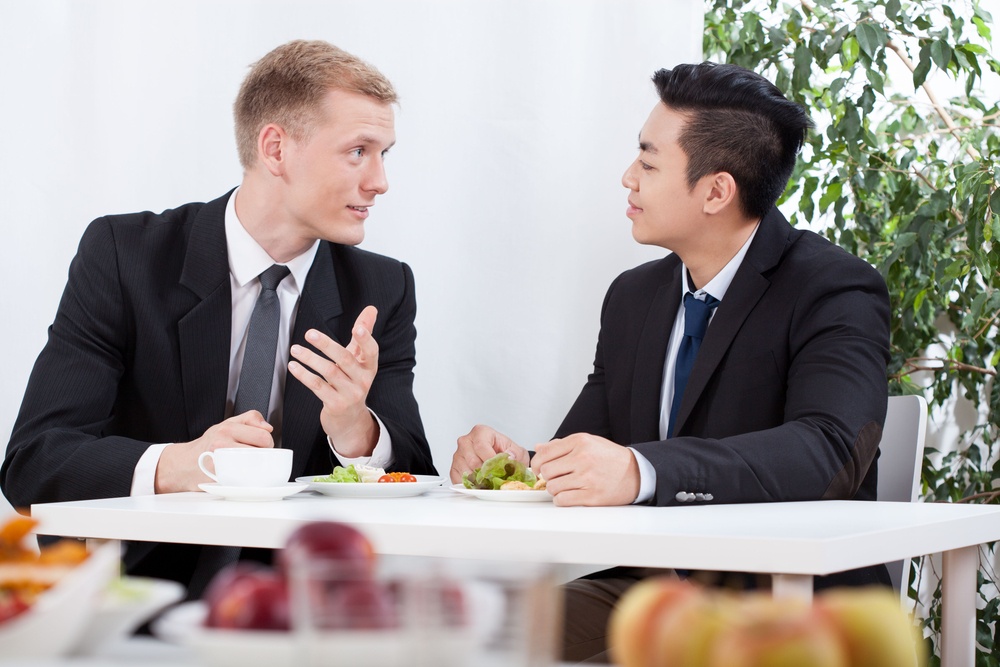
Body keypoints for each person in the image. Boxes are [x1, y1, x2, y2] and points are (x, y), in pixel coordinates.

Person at [450, 62, 891, 662]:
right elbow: (592, 447)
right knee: (463, 636)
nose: (627, 178)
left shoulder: (834, 287)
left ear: (716, 191)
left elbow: (831, 449)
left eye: (649, 163)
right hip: (653, 594)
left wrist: (643, 472)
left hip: (783, 605)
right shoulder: (634, 298)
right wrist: (515, 466)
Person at [1, 40, 436, 597]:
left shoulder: (381, 287)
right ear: (275, 149)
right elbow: (34, 462)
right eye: (358, 151)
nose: (379, 181)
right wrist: (181, 465)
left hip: (299, 606)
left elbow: (418, 474)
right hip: (135, 598)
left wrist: (355, 429)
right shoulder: (124, 254)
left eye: (384, 153)